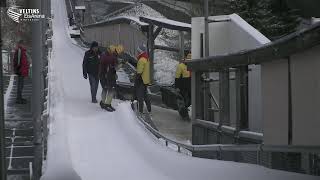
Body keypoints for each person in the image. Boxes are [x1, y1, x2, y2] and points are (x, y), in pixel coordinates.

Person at [99, 45, 125, 112]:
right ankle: (107, 104)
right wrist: (122, 64)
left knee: (104, 89)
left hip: (103, 75)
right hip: (108, 76)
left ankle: (103, 103)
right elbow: (115, 67)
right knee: (110, 90)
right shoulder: (112, 57)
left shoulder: (104, 55)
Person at [135, 44, 151, 115]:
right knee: (145, 96)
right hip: (146, 80)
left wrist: (136, 79)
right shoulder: (146, 58)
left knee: (140, 96)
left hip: (141, 80)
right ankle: (149, 110)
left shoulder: (141, 60)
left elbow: (139, 72)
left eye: (138, 51)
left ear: (140, 51)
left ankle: (140, 112)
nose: (137, 52)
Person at [13, 40, 30, 104]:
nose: (25, 45)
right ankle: (18, 99)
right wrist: (18, 69)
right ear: (21, 44)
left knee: (21, 85)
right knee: (20, 85)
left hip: (22, 70)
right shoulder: (20, 51)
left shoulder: (22, 51)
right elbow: (17, 61)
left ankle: (20, 97)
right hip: (21, 70)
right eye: (23, 44)